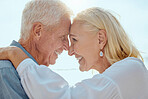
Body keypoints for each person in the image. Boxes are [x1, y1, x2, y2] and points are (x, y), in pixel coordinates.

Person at [1, 7, 148, 99]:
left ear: (101, 39)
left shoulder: (132, 69)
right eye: (64, 38)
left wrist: (17, 55)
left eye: (74, 39)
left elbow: (66, 96)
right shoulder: (6, 72)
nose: (69, 51)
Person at [0, 0, 72, 98]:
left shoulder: (37, 77)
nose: (67, 47)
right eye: (63, 37)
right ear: (38, 31)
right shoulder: (6, 72)